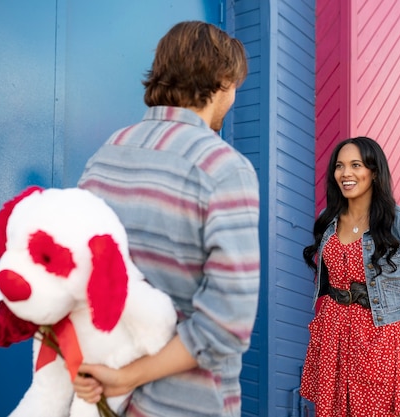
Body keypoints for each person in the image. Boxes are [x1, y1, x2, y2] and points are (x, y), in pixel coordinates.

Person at [73, 21, 260, 417]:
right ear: (224, 80)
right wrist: (130, 376)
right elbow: (227, 324)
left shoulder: (107, 152)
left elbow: (76, 272)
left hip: (99, 398)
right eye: (235, 86)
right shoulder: (224, 168)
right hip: (186, 405)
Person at [300, 137, 400, 417]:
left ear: (374, 172)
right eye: (339, 166)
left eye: (355, 165)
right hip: (331, 334)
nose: (345, 173)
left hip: (379, 339)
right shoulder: (328, 217)